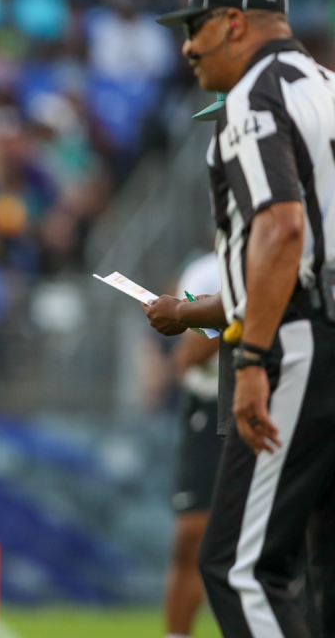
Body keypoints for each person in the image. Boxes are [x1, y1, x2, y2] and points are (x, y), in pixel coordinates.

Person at [144, 0, 335, 637]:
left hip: (300, 338)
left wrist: (251, 359)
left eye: (194, 28)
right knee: (321, 567)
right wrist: (198, 313)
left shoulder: (254, 98)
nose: (187, 47)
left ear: (232, 22)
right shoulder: (327, 87)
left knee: (238, 566)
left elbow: (284, 232)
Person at [159, 253, 223, 638]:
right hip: (211, 405)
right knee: (191, 535)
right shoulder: (205, 270)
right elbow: (190, 356)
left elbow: (194, 352)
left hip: (267, 397)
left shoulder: (284, 252)